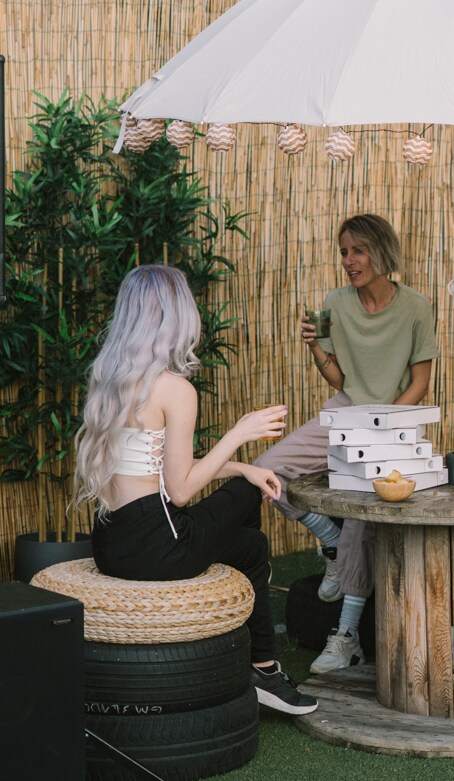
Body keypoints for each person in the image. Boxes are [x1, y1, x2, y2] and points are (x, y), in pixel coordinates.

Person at [75, 264, 317, 716]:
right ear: (178, 317)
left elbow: (164, 472)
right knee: (247, 500)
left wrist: (241, 467)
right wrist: (240, 434)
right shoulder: (175, 389)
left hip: (110, 542)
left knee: (250, 544)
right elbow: (181, 490)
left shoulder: (108, 378)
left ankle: (257, 661)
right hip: (159, 547)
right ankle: (264, 670)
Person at [259, 213, 438, 674]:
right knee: (266, 470)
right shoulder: (335, 303)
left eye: (358, 250)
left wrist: (385, 423)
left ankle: (347, 635)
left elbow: (421, 382)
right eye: (343, 252)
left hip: (395, 420)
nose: (348, 260)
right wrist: (316, 348)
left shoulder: (416, 307)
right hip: (344, 412)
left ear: (381, 252)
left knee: (363, 507)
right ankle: (332, 544)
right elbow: (340, 380)